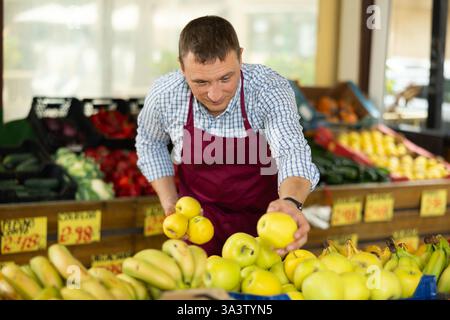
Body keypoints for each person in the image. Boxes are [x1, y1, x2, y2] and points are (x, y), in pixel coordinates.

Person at [136, 15, 320, 256]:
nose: (214, 94)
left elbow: (291, 150)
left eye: (226, 78)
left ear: (241, 57)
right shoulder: (166, 94)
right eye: (201, 82)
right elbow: (150, 143)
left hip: (265, 231)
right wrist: (171, 202)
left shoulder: (268, 89)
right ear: (182, 67)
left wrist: (290, 202)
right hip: (198, 228)